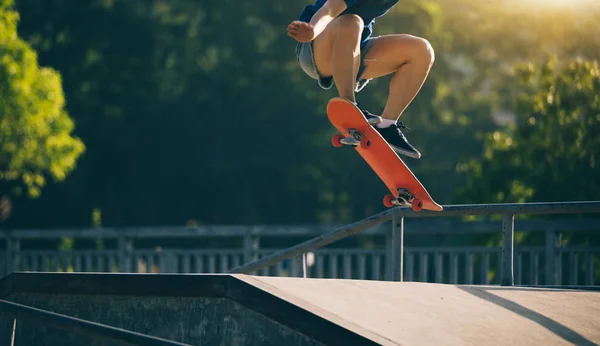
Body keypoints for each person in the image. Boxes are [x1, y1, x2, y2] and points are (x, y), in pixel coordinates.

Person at [288, 0, 435, 159]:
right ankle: (349, 107)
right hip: (316, 47)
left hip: (354, 53)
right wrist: (312, 31)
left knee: (422, 50)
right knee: (352, 22)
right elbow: (329, 10)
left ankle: (386, 125)